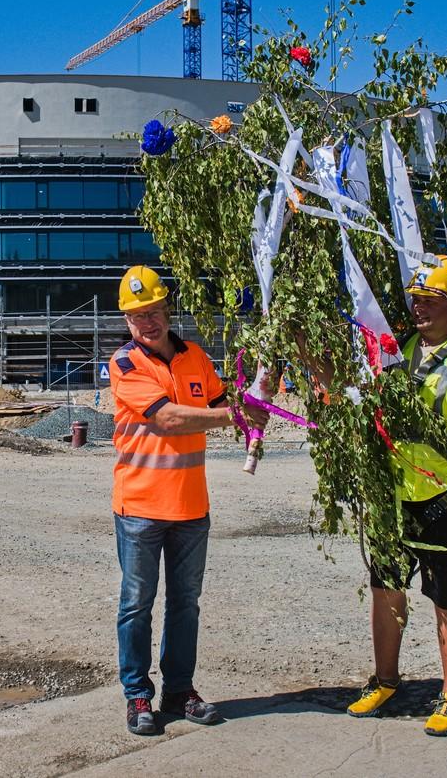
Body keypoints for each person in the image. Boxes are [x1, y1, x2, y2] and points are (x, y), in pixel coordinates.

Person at [338, 256, 447, 736]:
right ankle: (385, 680)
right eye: (415, 299)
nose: (418, 308)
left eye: (429, 300)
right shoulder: (399, 347)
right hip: (395, 498)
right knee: (385, 590)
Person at [109, 265, 266, 736]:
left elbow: (220, 404)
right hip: (139, 508)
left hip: (191, 508)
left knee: (185, 605)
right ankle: (138, 695)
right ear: (127, 321)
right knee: (136, 605)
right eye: (137, 316)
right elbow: (170, 419)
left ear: (168, 309)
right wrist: (234, 415)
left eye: (154, 311)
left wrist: (254, 401)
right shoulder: (125, 364)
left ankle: (179, 691)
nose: (147, 322)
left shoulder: (195, 356)